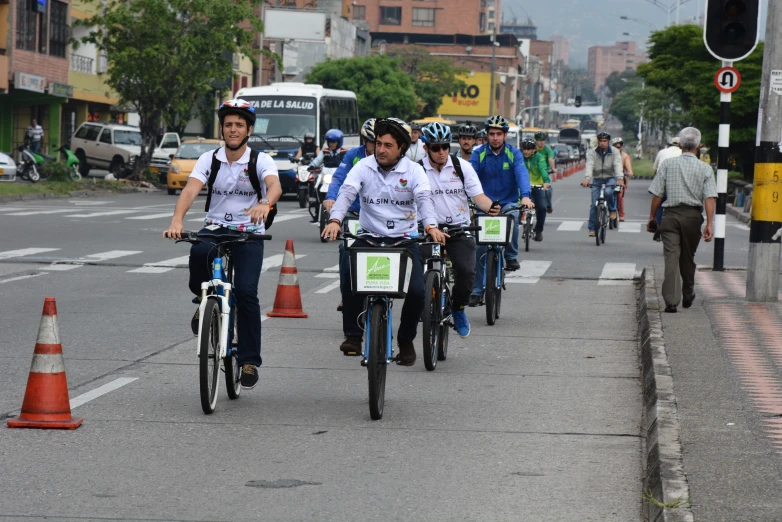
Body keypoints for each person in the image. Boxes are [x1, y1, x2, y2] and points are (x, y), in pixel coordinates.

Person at [163, 99, 282, 389]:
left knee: (246, 292)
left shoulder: (260, 160)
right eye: (228, 124)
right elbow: (191, 189)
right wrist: (177, 220)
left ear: (248, 130)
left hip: (249, 233)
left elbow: (274, 185)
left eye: (239, 125)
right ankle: (203, 299)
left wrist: (266, 203)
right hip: (216, 227)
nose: (233, 129)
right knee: (198, 250)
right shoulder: (210, 159)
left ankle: (250, 360)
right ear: (222, 129)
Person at [322, 118, 447, 366]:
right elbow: (347, 192)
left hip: (404, 241)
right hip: (369, 237)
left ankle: (405, 339)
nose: (380, 149)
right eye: (378, 144)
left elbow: (423, 199)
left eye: (388, 145)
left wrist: (431, 225)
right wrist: (335, 219)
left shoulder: (414, 171)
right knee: (348, 271)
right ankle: (354, 336)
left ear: (401, 147)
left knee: (418, 292)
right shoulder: (364, 166)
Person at [419, 122, 500, 337]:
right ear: (426, 148)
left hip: (458, 229)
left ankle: (458, 308)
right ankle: (423, 302)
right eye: (435, 148)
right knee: (413, 275)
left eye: (445, 146)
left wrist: (490, 207)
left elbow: (479, 197)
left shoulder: (461, 167)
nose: (441, 152)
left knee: (466, 271)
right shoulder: (416, 170)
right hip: (426, 229)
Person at [647, 127, 716, 313]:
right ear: (699, 146)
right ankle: (687, 293)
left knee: (671, 257)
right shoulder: (706, 169)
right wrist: (709, 224)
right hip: (693, 218)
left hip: (669, 216)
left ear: (680, 144)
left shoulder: (667, 164)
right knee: (687, 257)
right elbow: (710, 198)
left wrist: (652, 217)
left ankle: (671, 301)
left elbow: (657, 194)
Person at [468, 115, 533, 307]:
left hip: (507, 203)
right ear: (486, 135)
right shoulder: (478, 154)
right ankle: (478, 290)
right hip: (484, 204)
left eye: (498, 134)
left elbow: (521, 174)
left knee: (512, 218)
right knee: (479, 247)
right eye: (491, 134)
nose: (495, 138)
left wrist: (526, 196)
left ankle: (511, 256)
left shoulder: (514, 154)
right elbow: (469, 176)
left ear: (505, 135)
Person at [322, 118, 375, 330]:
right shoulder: (353, 156)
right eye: (372, 142)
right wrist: (331, 198)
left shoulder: (393, 158)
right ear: (364, 140)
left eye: (381, 141)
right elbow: (338, 179)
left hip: (381, 220)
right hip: (354, 214)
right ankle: (347, 296)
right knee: (346, 252)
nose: (377, 147)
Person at [580, 131, 624, 237]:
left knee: (609, 192)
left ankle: (612, 210)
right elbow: (589, 165)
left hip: (610, 178)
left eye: (605, 141)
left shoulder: (614, 151)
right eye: (601, 141)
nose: (603, 143)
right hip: (597, 179)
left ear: (608, 141)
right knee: (594, 205)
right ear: (598, 142)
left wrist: (619, 178)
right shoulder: (592, 152)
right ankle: (592, 229)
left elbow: (618, 164)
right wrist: (587, 178)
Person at [520, 138, 551, 242]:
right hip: (522, 188)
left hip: (537, 187)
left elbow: (543, 169)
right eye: (524, 149)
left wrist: (546, 181)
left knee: (542, 208)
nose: (526, 151)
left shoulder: (539, 157)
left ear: (534, 150)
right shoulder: (519, 158)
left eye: (529, 149)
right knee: (515, 209)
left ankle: (538, 230)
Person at [652, 137, 682, 240]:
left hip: (662, 184)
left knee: (659, 205)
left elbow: (655, 170)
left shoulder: (662, 152)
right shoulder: (683, 153)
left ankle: (658, 227)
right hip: (677, 186)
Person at [612, 137, 634, 222]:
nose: (617, 149)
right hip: (609, 178)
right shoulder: (608, 155)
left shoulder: (625, 157)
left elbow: (629, 169)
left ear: (621, 147)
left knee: (619, 196)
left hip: (620, 180)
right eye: (615, 147)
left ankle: (621, 214)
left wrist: (630, 172)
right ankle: (595, 215)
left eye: (618, 147)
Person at [534, 132, 556, 213]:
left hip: (546, 172)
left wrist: (553, 168)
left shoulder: (547, 149)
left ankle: (548, 205)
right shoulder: (533, 148)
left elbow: (550, 159)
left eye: (543, 140)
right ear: (536, 141)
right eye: (539, 140)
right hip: (534, 172)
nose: (541, 142)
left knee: (548, 189)